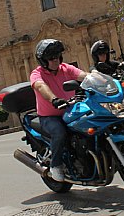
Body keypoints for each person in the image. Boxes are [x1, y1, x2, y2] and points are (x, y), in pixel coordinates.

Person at [30, 39, 89, 182]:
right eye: (51, 58)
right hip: (50, 117)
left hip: (70, 111)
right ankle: (56, 165)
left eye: (57, 56)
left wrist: (103, 80)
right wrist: (53, 99)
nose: (55, 60)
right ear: (43, 60)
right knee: (59, 132)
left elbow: (84, 76)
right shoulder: (37, 74)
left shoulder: (66, 68)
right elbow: (40, 86)